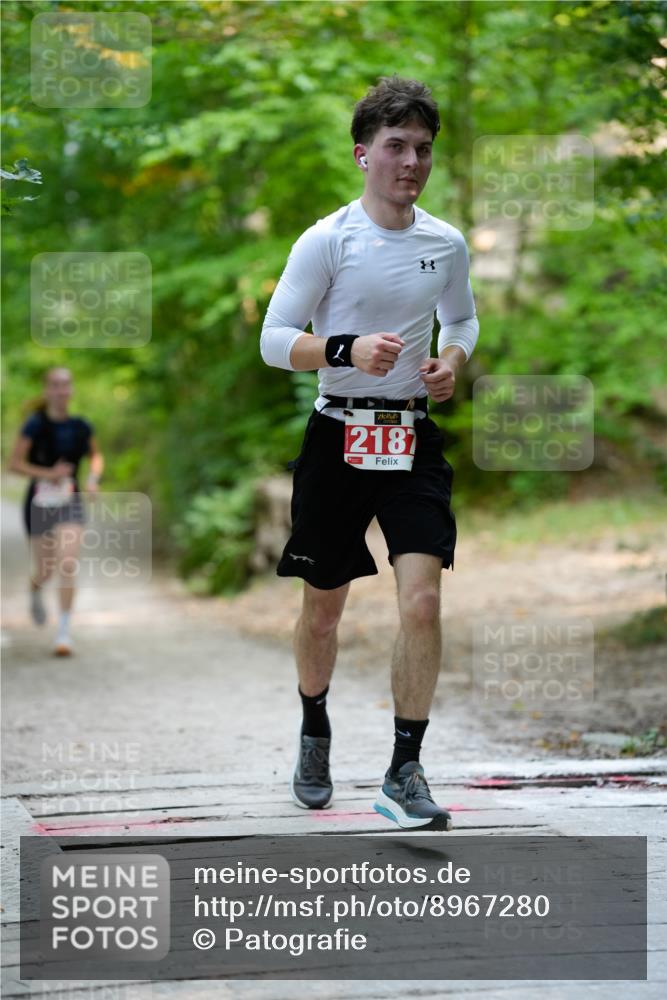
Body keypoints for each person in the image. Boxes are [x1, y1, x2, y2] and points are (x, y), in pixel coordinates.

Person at [260, 75, 479, 831]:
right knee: (322, 611)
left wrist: (451, 361)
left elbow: (463, 320)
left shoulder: (444, 243)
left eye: (422, 148)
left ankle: (403, 769)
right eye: (395, 147)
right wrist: (345, 347)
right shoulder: (328, 240)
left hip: (411, 436)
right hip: (338, 437)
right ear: (363, 155)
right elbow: (272, 340)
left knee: (420, 600)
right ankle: (314, 726)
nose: (411, 161)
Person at [8, 367, 104, 656]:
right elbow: (14, 463)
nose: (61, 390)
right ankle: (35, 588)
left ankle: (63, 633)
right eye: (55, 385)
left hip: (70, 499)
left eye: (66, 384)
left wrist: (92, 479)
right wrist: (47, 473)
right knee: (46, 569)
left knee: (67, 564)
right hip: (39, 502)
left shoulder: (81, 426)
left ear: (71, 390)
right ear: (47, 390)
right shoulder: (35, 425)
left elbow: (96, 456)